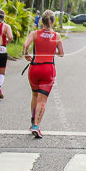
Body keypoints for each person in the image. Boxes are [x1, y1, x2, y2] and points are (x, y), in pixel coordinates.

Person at [23, 10, 64, 139]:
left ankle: (32, 120)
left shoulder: (34, 33)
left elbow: (26, 44)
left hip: (34, 68)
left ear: (42, 21)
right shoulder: (56, 36)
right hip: (48, 68)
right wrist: (53, 52)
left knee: (34, 95)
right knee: (42, 99)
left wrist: (26, 54)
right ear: (53, 21)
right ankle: (36, 125)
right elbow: (61, 53)